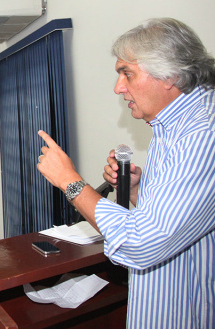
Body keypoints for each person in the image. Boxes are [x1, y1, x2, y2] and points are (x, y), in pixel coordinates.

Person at [35, 18, 215, 329]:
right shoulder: (170, 126)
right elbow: (180, 218)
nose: (118, 88)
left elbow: (141, 243)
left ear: (169, 74)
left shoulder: (201, 134)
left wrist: (71, 182)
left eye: (127, 74)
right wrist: (137, 190)